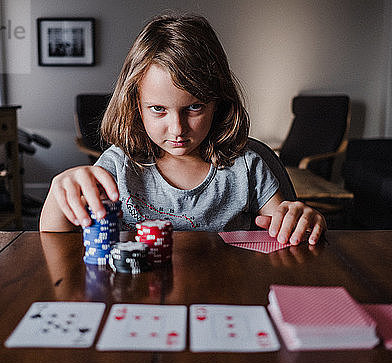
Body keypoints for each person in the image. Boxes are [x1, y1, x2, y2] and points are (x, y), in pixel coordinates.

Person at [40, 14, 326, 246]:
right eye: (158, 109)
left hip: (225, 297)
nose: (177, 129)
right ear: (135, 106)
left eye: (194, 107)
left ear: (219, 103)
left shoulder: (247, 168)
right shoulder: (116, 167)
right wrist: (57, 194)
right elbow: (54, 243)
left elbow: (288, 230)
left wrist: (301, 219)